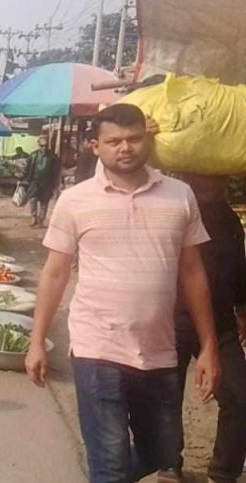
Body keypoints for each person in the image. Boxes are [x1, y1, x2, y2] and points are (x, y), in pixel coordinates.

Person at [25, 103, 221, 483]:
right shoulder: (75, 200)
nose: (125, 148)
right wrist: (37, 341)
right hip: (97, 349)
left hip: (160, 351)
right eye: (113, 141)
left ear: (147, 139)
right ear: (95, 147)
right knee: (110, 464)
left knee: (160, 452)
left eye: (133, 139)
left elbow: (194, 272)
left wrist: (209, 345)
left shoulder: (179, 196)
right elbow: (54, 274)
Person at [175, 174, 246, 483]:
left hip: (220, 324)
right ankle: (167, 461)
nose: (208, 184)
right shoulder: (172, 209)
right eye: (201, 177)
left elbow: (239, 266)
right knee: (165, 396)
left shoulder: (229, 220)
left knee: (241, 397)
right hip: (171, 319)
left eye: (214, 178)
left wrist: (243, 307)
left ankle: (223, 471)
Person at [21, 135, 60, 227]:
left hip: (47, 183)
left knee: (44, 202)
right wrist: (22, 179)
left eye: (46, 146)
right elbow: (26, 169)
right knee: (33, 199)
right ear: (38, 145)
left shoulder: (53, 157)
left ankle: (41, 220)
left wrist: (56, 185)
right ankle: (33, 217)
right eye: (42, 145)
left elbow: (56, 171)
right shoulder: (33, 155)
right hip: (34, 182)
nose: (44, 148)